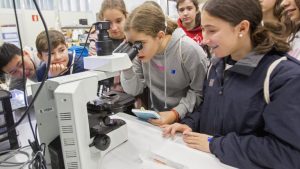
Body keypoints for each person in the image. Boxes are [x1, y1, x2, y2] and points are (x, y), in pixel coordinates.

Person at [162, 0, 300, 168]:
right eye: (203, 29)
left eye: (212, 30)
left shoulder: (283, 76)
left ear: (242, 28)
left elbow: (288, 153)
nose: (204, 39)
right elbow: (210, 108)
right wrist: (189, 124)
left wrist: (216, 144)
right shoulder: (216, 64)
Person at [120, 3, 208, 126]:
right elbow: (134, 90)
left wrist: (175, 113)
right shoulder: (140, 53)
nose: (136, 50)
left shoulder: (187, 50)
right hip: (156, 118)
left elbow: (200, 92)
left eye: (140, 44)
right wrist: (125, 66)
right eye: (132, 44)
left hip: (187, 121)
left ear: (160, 36)